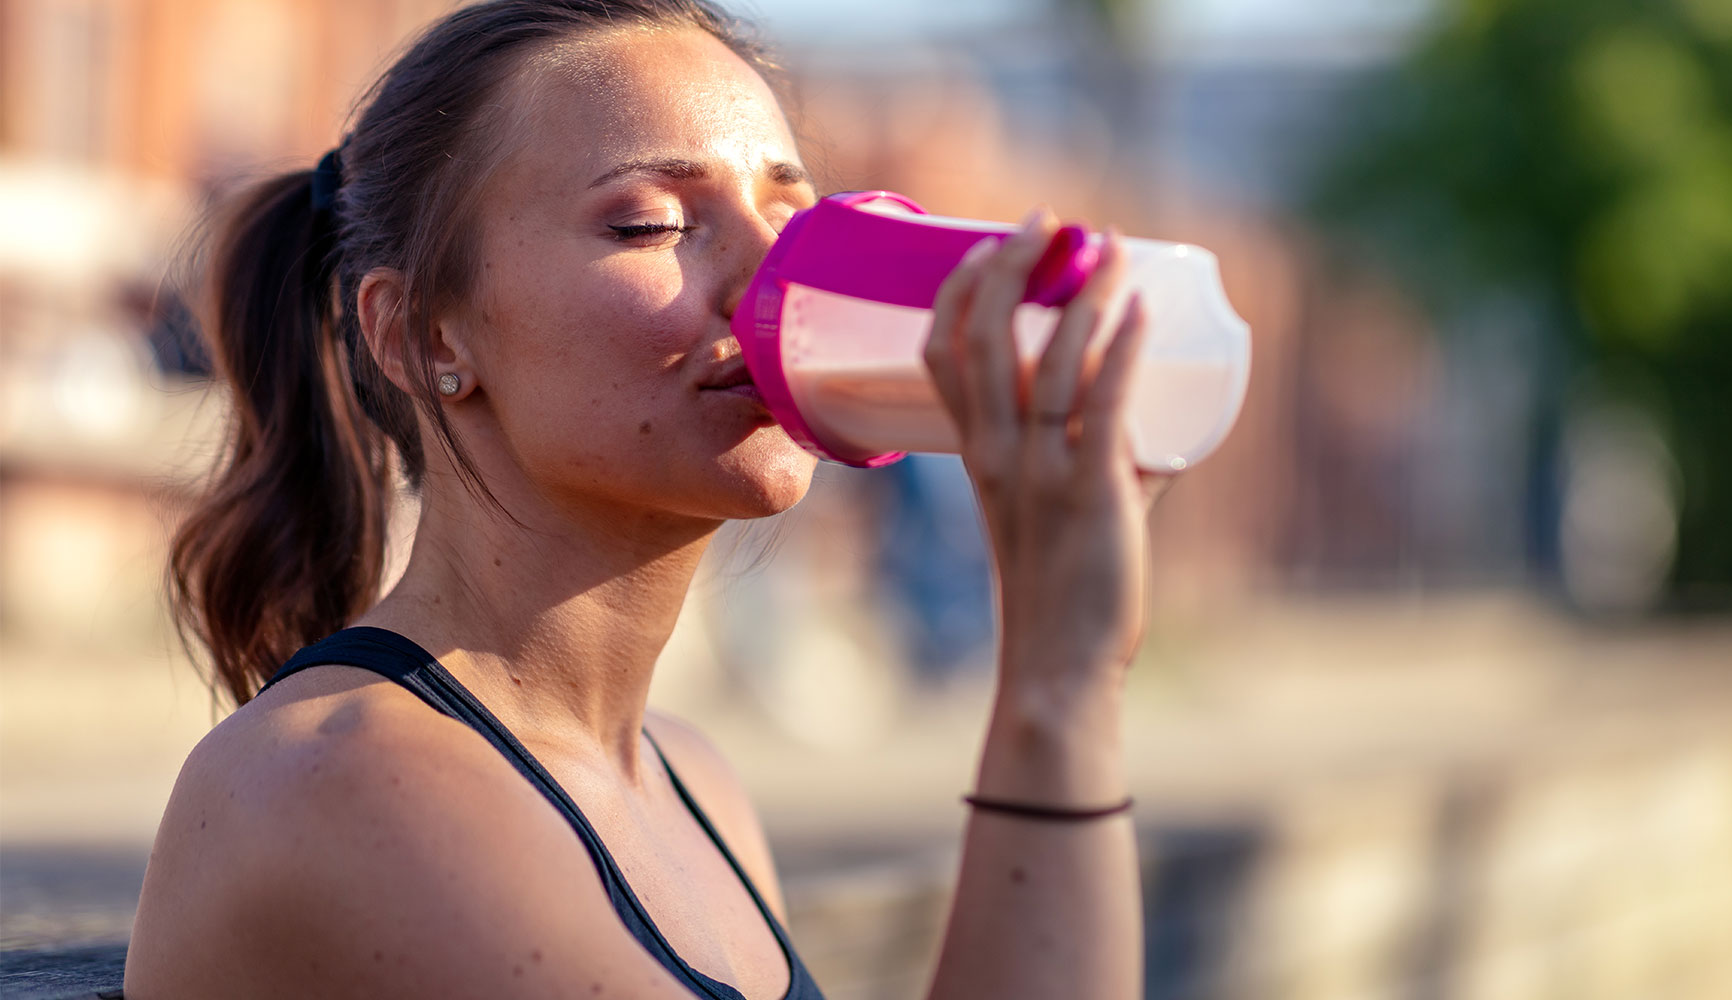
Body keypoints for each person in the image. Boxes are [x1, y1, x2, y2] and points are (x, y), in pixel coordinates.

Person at [122, 1, 1172, 997]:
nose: (775, 277)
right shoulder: (344, 783)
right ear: (423, 335)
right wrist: (1055, 680)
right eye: (650, 222)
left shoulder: (688, 782)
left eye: (794, 219)